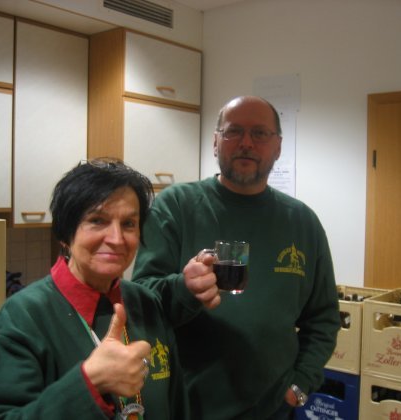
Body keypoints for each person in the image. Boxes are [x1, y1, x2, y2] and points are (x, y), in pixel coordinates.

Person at [132, 96, 340, 419]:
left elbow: (323, 319)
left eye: (260, 133)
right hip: (186, 409)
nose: (246, 143)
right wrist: (184, 288)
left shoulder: (302, 223)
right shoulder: (176, 207)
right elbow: (142, 301)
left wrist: (300, 384)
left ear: (278, 147)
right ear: (216, 142)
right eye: (233, 132)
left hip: (272, 411)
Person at [0, 158, 188, 419]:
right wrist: (90, 383)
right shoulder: (21, 319)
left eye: (129, 224)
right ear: (65, 233)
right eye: (97, 220)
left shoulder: (147, 304)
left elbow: (177, 407)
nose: (117, 239)